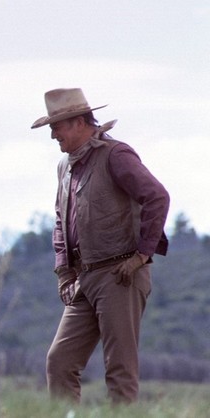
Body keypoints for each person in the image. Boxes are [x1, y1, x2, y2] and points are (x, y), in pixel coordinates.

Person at [31, 89, 170, 404]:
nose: (53, 135)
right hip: (84, 278)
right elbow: (61, 219)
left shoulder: (115, 154)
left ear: (79, 122)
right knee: (59, 362)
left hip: (121, 274)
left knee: (119, 370)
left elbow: (157, 197)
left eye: (57, 127)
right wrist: (64, 272)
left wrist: (141, 256)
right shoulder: (64, 166)